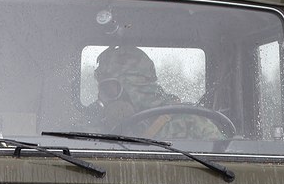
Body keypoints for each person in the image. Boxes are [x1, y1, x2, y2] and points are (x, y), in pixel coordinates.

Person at [90, 45, 224, 140]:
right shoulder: (96, 130)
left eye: (108, 90)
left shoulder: (192, 124)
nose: (101, 98)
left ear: (131, 86)